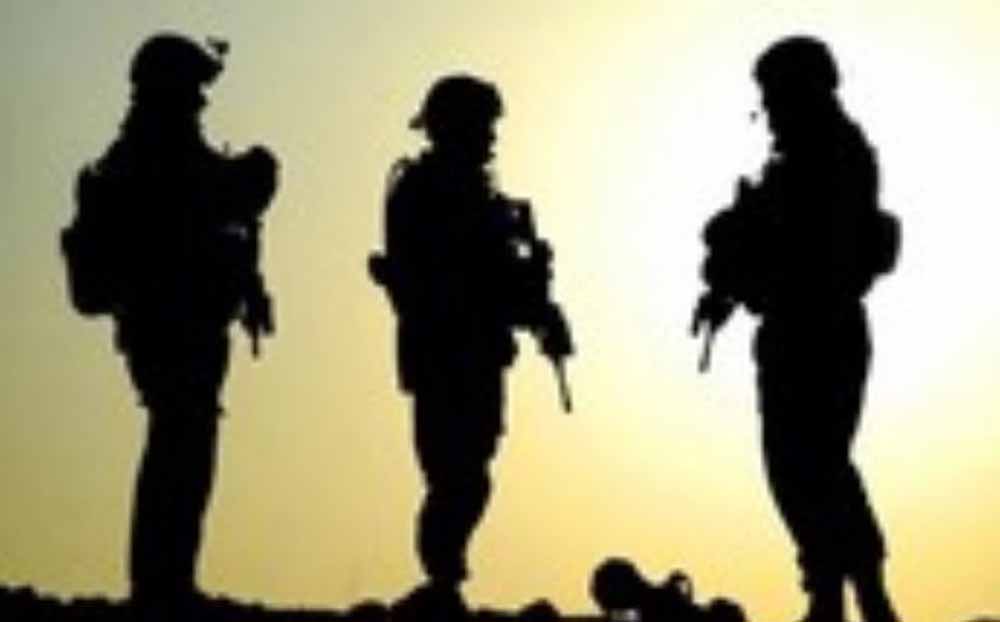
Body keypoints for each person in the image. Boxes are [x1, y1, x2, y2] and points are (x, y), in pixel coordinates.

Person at [62, 32, 278, 613]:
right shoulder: (151, 153)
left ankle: (169, 581)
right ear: (169, 86)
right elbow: (206, 202)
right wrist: (255, 176)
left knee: (185, 444)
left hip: (190, 320)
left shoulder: (158, 148)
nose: (202, 100)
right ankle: (161, 586)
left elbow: (223, 210)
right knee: (178, 445)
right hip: (168, 322)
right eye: (194, 87)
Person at [691, 36, 901, 622]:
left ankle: (856, 590)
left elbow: (801, 248)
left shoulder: (828, 156)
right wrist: (730, 282)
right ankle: (837, 590)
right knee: (805, 466)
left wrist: (737, 247)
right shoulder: (809, 157)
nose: (768, 111)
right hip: (802, 325)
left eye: (775, 96)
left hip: (816, 327)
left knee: (811, 463)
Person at [369, 74, 573, 617]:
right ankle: (442, 578)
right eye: (483, 125)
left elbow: (500, 281)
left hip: (477, 353)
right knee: (453, 472)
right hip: (444, 351)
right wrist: (522, 293)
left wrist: (539, 305)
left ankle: (444, 578)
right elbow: (457, 278)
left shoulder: (480, 198)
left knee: (469, 468)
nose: (491, 137)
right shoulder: (426, 191)